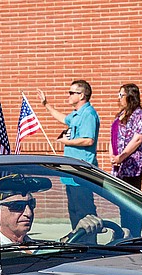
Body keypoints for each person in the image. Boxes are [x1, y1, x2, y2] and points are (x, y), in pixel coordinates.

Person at [0, 173, 104, 251]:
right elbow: (26, 259)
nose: (28, 213)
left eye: (31, 204)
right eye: (17, 206)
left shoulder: (29, 244)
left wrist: (80, 236)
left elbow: (43, 251)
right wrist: (70, 239)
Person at [36, 79, 99, 228]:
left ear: (82, 95)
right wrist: (46, 104)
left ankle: (89, 243)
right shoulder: (76, 114)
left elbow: (89, 140)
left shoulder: (88, 114)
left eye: (71, 92)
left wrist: (66, 142)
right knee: (75, 211)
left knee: (84, 211)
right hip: (71, 171)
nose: (68, 96)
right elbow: (63, 119)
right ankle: (79, 243)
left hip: (82, 171)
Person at [110, 83, 142, 237]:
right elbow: (113, 136)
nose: (118, 98)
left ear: (130, 96)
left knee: (131, 202)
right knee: (122, 203)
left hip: (131, 165)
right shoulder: (121, 113)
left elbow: (138, 138)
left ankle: (133, 233)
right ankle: (125, 231)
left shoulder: (139, 114)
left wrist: (122, 156)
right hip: (119, 165)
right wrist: (111, 155)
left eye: (121, 95)